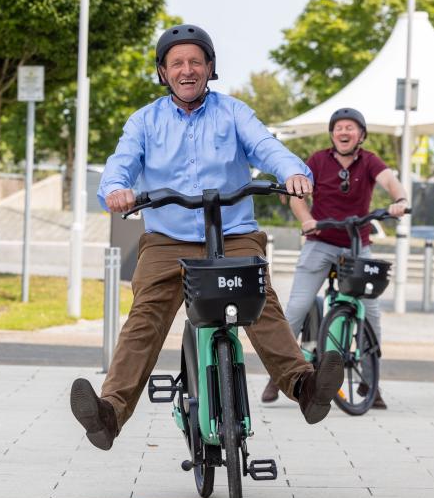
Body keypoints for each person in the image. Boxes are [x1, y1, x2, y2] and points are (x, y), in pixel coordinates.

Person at [69, 24, 345, 451]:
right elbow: (120, 165)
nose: (187, 70)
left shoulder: (234, 112)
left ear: (210, 68)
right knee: (145, 316)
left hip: (233, 233)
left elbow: (267, 146)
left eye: (195, 62)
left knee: (262, 302)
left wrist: (293, 172)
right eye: (176, 63)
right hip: (167, 239)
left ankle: (305, 388)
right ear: (163, 72)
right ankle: (109, 413)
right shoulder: (144, 121)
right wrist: (115, 190)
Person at [260, 108, 409, 408]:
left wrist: (400, 200)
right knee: (297, 308)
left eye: (351, 128)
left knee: (372, 312)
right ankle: (278, 375)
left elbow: (391, 183)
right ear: (332, 134)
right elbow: (296, 196)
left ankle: (371, 381)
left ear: (361, 135)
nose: (344, 132)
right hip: (320, 241)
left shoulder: (370, 161)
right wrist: (306, 219)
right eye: (339, 127)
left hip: (357, 247)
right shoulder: (317, 160)